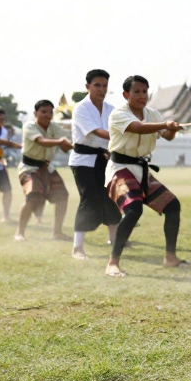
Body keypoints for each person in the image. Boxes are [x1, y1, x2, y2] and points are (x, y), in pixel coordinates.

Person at [104, 75, 190, 277]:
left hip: (141, 170)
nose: (142, 95)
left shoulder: (153, 114)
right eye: (137, 91)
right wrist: (164, 124)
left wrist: (173, 129)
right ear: (126, 94)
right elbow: (138, 128)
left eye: (145, 91)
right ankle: (112, 263)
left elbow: (166, 136)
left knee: (172, 205)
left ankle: (170, 258)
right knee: (133, 210)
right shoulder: (118, 114)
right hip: (120, 169)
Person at [69, 69, 121, 260]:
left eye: (104, 85)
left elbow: (122, 126)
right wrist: (127, 133)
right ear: (87, 87)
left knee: (111, 198)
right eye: (97, 85)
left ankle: (116, 243)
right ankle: (77, 248)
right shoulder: (81, 108)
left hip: (105, 160)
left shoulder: (111, 109)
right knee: (89, 200)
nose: (101, 89)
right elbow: (99, 132)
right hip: (83, 161)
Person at [15, 100, 73, 241]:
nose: (47, 115)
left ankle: (57, 232)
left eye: (50, 112)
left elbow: (66, 143)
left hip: (47, 167)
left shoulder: (54, 127)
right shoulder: (29, 126)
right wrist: (61, 142)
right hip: (29, 168)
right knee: (33, 196)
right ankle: (19, 232)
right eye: (43, 112)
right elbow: (41, 141)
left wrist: (74, 145)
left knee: (62, 196)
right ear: (36, 113)